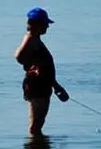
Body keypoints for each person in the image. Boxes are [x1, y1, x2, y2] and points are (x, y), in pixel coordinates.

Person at [15, 7, 68, 135]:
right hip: (36, 85)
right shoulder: (31, 38)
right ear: (36, 24)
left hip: (43, 84)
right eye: (45, 24)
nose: (47, 27)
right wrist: (32, 67)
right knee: (35, 125)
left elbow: (43, 66)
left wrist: (56, 86)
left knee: (39, 122)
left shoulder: (35, 38)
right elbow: (19, 57)